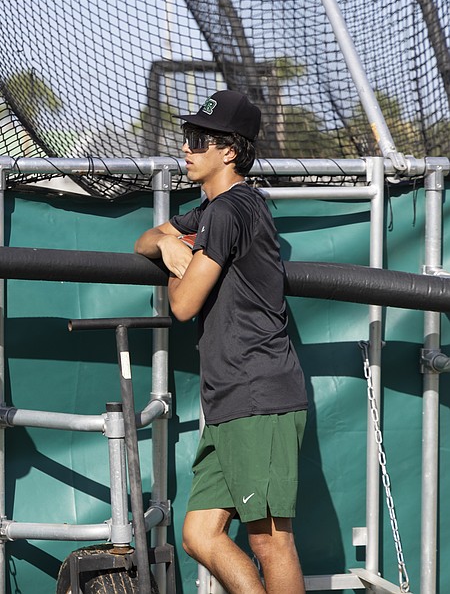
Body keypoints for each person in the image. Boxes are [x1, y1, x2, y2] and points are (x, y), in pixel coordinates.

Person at [134, 90, 308, 593]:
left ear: (229, 151)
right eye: (186, 137)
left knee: (271, 542)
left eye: (198, 139)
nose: (186, 147)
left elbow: (184, 305)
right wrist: (169, 243)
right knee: (199, 534)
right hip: (230, 398)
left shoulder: (232, 209)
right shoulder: (212, 209)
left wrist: (177, 260)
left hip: (258, 394)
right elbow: (146, 239)